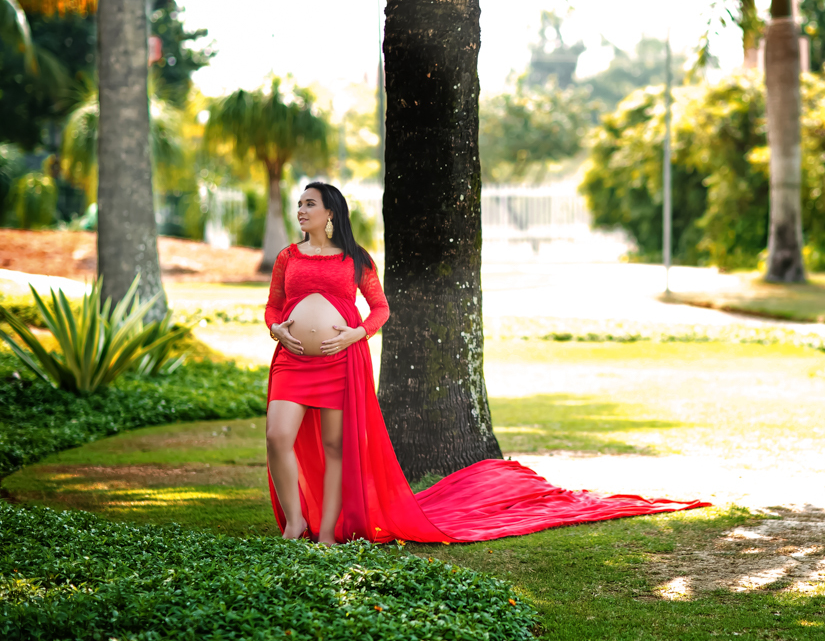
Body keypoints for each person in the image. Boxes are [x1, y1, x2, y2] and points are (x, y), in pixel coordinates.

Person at [264, 181, 708, 545]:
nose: (301, 210)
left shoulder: (355, 260)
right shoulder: (287, 257)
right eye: (299, 204)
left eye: (310, 204)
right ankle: (295, 522)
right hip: (293, 361)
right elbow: (273, 307)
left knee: (338, 448)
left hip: (340, 362)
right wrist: (278, 329)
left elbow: (380, 309)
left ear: (331, 214)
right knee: (276, 435)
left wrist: (357, 332)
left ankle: (324, 534)